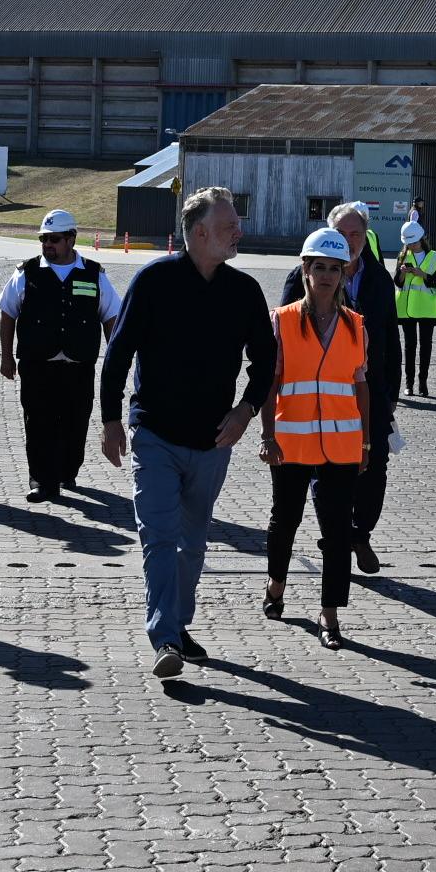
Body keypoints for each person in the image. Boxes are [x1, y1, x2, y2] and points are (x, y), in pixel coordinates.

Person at [100, 187, 276, 679]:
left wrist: (245, 411)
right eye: (228, 226)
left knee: (192, 542)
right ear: (200, 233)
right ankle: (164, 637)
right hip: (155, 433)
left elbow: (266, 363)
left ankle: (177, 625)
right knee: (159, 536)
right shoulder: (154, 281)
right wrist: (111, 420)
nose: (238, 231)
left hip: (213, 441)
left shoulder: (244, 292)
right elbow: (118, 354)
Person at [263, 228, 371, 648]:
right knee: (285, 520)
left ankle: (329, 616)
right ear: (305, 270)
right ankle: (276, 586)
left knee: (338, 531)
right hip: (291, 441)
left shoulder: (356, 326)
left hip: (342, 445)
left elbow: (361, 387)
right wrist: (267, 434)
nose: (326, 276)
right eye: (318, 267)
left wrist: (365, 442)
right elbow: (270, 383)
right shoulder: (283, 321)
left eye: (334, 269)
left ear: (344, 274)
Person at [279, 203, 398, 575]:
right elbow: (284, 337)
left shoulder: (379, 280)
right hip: (317, 399)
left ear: (366, 238)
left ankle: (360, 532)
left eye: (356, 234)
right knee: (323, 470)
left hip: (368, 392)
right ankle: (339, 535)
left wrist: (391, 393)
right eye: (342, 234)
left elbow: (390, 339)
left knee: (375, 465)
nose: (349, 241)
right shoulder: (300, 277)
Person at [0, 208, 120, 501]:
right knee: (38, 423)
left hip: (79, 366)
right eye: (44, 239)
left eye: (54, 239)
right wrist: (5, 357)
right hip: (38, 365)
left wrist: (115, 362)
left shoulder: (93, 273)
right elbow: (7, 314)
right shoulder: (26, 273)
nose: (48, 245)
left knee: (76, 423)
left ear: (71, 239)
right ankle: (42, 481)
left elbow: (111, 318)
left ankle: (67, 472)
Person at [396, 223, 436, 398]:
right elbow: (398, 282)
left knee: (425, 347)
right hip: (407, 309)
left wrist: (421, 274)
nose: (411, 245)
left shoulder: (435, 257)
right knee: (410, 346)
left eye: (414, 242)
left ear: (421, 238)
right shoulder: (403, 255)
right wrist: (403, 273)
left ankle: (423, 384)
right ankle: (409, 384)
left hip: (426, 309)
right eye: (408, 243)